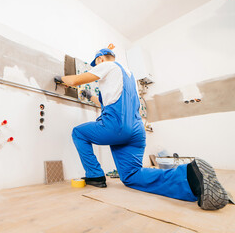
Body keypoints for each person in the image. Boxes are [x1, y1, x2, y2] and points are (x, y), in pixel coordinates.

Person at [54, 48, 229, 210]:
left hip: (117, 126)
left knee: (78, 132)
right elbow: (108, 102)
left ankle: (95, 175)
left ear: (100, 59)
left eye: (96, 63)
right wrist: (90, 96)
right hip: (136, 131)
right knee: (131, 176)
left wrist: (61, 80)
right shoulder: (129, 75)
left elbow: (75, 80)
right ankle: (190, 178)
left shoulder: (107, 65)